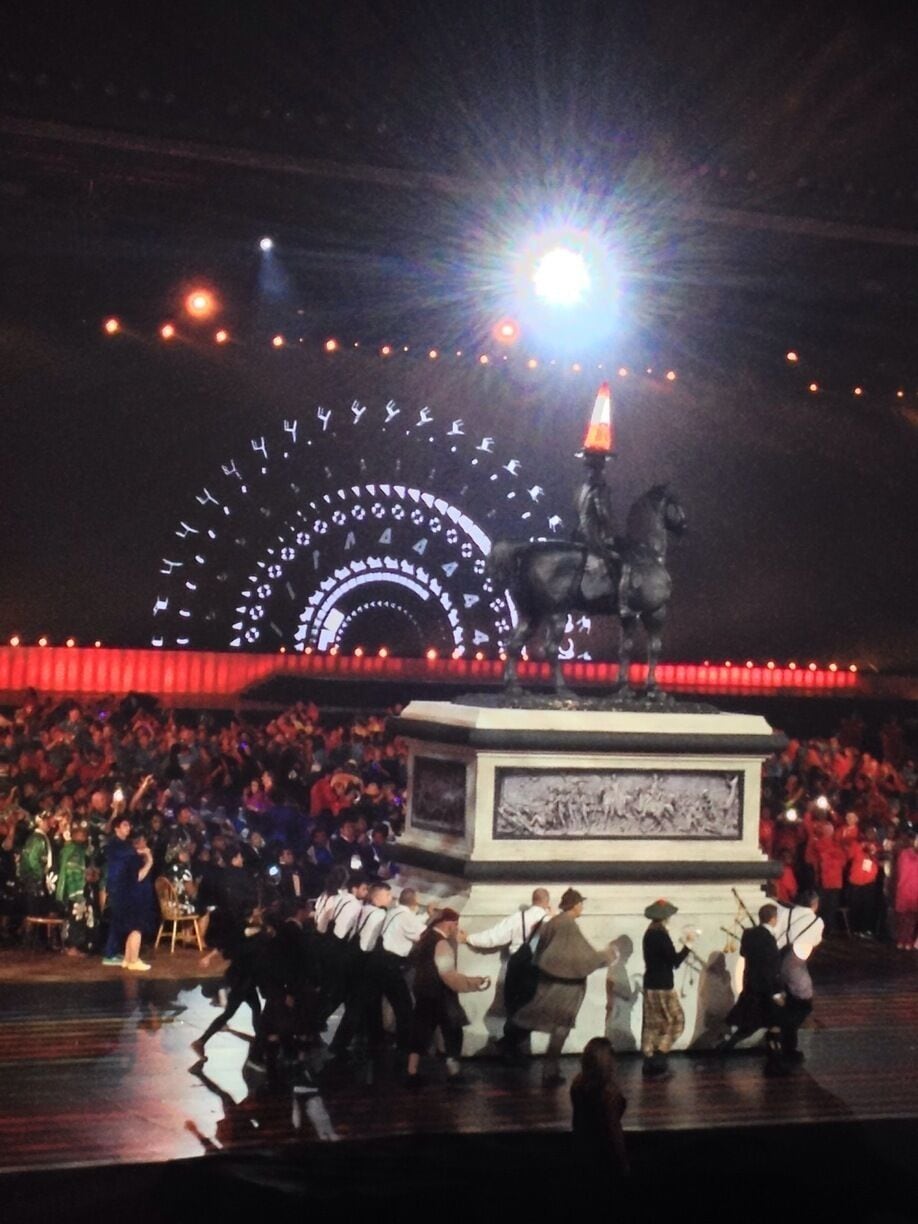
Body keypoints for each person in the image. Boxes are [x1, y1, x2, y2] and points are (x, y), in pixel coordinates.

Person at [508, 888, 609, 1088]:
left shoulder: (553, 922)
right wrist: (606, 956)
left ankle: (525, 1053)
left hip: (549, 981)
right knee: (560, 1027)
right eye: (581, 903)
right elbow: (582, 957)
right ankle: (549, 1070)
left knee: (540, 1018)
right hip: (566, 986)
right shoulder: (568, 926)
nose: (582, 907)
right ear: (576, 905)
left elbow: (544, 951)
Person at [406, 907, 488, 1087]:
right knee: (453, 1032)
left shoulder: (424, 938)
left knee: (419, 1033)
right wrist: (475, 982)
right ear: (446, 923)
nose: (457, 927)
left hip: (422, 991)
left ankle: (411, 1072)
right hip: (441, 994)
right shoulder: (441, 944)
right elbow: (447, 974)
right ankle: (454, 1072)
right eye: (455, 924)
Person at [718, 903, 784, 1068]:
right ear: (773, 919)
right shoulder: (768, 940)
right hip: (766, 989)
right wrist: (776, 992)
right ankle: (775, 1058)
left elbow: (743, 953)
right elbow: (771, 968)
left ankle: (727, 1046)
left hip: (751, 985)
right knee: (773, 1023)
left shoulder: (749, 934)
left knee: (751, 1023)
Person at [640, 898, 694, 1078]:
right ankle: (660, 1057)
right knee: (676, 1021)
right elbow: (675, 961)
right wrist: (688, 946)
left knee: (652, 1024)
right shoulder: (661, 935)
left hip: (650, 984)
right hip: (663, 985)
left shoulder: (649, 933)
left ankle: (649, 1061)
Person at [774, 890, 824, 1070]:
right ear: (814, 904)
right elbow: (815, 941)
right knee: (802, 1004)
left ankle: (787, 1043)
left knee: (788, 1003)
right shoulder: (816, 921)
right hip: (795, 964)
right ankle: (786, 1040)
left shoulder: (786, 913)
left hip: (779, 959)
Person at [570, 1036, 629, 1188]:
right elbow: (613, 1130)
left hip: (582, 1148)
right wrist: (623, 1164)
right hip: (604, 1154)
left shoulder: (578, 1083)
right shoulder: (608, 1093)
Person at [102, 815, 155, 971]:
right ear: (117, 827)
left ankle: (127, 958)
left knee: (127, 924)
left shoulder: (125, 849)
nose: (129, 828)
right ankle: (132, 959)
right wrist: (149, 860)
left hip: (124, 891)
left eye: (129, 825)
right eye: (125, 825)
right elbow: (137, 876)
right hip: (128, 892)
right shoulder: (121, 849)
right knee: (136, 926)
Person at [893, 834, 918, 950]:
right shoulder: (905, 854)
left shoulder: (905, 854)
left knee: (911, 918)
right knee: (904, 917)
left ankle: (906, 940)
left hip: (913, 891)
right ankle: (902, 940)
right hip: (905, 889)